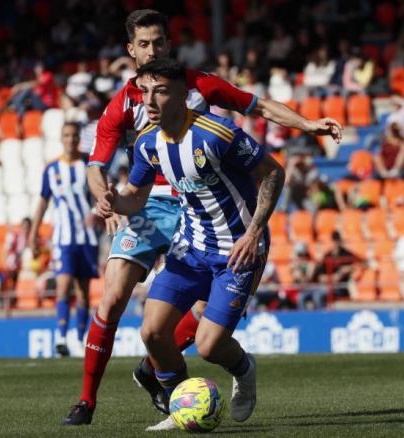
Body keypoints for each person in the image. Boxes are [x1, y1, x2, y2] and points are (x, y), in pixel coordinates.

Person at [63, 9, 342, 426]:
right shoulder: (127, 110)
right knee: (116, 294)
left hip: (206, 207)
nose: (152, 50)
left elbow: (259, 107)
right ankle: (88, 400)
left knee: (206, 332)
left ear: (169, 47)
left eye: (159, 42)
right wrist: (107, 200)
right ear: (130, 50)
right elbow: (98, 167)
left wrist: (306, 124)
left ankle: (173, 371)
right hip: (156, 203)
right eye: (143, 44)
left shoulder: (200, 95)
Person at [102, 59, 284, 431]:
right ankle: (178, 405)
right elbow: (135, 195)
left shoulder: (218, 134)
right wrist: (114, 201)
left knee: (209, 346)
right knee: (152, 332)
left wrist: (253, 234)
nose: (149, 100)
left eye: (161, 90)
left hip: (238, 249)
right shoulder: (147, 142)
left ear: (184, 95)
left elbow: (273, 172)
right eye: (145, 91)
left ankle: (245, 371)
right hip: (191, 248)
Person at [29, 122, 99, 358]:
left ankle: (79, 340)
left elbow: (101, 194)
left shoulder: (88, 165)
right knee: (63, 285)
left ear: (79, 138)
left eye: (74, 135)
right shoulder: (51, 169)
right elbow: (43, 201)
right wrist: (33, 233)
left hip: (86, 237)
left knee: (83, 292)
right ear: (61, 138)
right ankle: (60, 337)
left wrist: (97, 212)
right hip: (63, 238)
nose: (70, 139)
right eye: (66, 135)